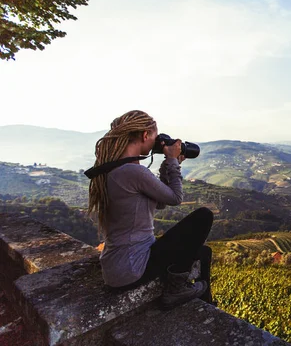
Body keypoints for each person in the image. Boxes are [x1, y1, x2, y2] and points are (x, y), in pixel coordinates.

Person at [87, 110, 215, 308]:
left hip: (118, 267)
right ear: (145, 135)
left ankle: (205, 301)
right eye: (155, 137)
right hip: (133, 266)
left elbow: (161, 201)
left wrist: (168, 164)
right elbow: (175, 198)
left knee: (203, 252)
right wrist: (172, 162)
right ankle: (176, 290)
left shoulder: (115, 169)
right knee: (203, 217)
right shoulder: (133, 171)